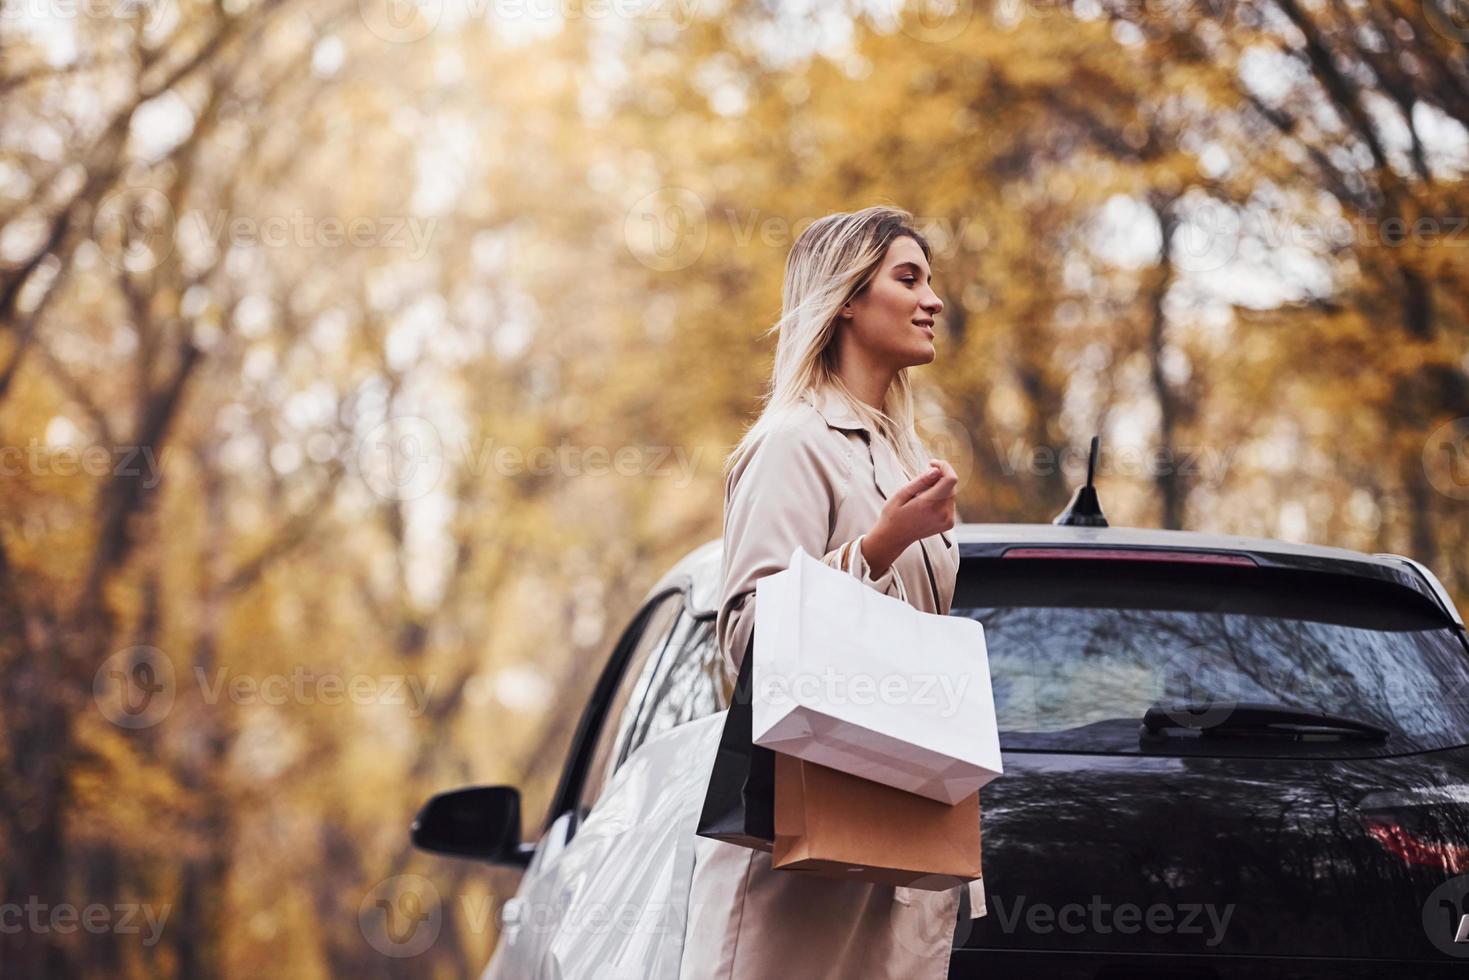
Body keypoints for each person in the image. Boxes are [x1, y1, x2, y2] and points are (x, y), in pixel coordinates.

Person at [680, 206, 981, 980]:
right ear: (846, 297)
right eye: (907, 279)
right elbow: (747, 633)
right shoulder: (792, 442)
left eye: (929, 281)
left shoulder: (906, 453)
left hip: (897, 827)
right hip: (806, 839)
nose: (933, 301)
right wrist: (881, 544)